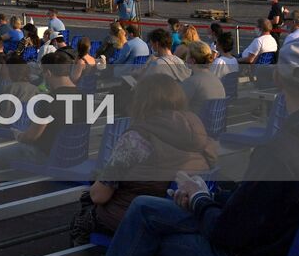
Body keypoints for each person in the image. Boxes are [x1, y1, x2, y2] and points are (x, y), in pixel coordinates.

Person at [92, 36, 299, 256]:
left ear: (278, 79)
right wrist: (206, 196)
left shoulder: (282, 151)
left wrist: (200, 199)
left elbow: (226, 233)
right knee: (145, 207)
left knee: (151, 233)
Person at [84, 76, 217, 240]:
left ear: (141, 101)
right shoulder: (198, 131)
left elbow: (99, 195)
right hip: (183, 218)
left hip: (138, 219)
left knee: (86, 209)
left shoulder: (136, 138)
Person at [0, 50, 81, 171]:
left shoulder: (48, 100)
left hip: (47, 155)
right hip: (74, 155)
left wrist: (19, 135)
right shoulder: (84, 96)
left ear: (48, 73)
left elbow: (31, 137)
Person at [180, 41, 225, 108]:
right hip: (214, 117)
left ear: (192, 60)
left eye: (187, 55)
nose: (185, 58)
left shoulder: (192, 82)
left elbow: (177, 105)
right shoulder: (216, 79)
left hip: (197, 117)